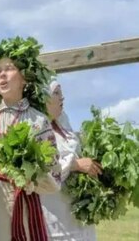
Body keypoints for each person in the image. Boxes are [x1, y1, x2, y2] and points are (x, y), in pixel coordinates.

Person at [0, 37, 62, 241]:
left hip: (22, 205)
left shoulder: (39, 122)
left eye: (9, 68)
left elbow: (54, 176)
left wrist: (31, 178)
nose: (2, 74)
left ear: (24, 78)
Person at [41, 79, 100, 240]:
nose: (62, 98)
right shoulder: (38, 128)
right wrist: (75, 165)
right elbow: (43, 169)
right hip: (54, 214)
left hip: (75, 214)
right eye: (56, 93)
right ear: (43, 97)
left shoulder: (63, 125)